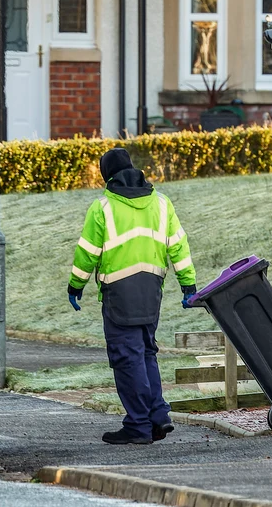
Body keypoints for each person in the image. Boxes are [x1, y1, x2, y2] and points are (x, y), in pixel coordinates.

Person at [67, 148, 197, 445]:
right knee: (146, 352)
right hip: (152, 290)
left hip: (119, 291)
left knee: (127, 358)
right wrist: (188, 285)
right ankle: (158, 414)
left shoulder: (103, 207)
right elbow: (179, 246)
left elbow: (87, 253)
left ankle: (138, 425)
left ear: (107, 175)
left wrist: (76, 285)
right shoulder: (162, 203)